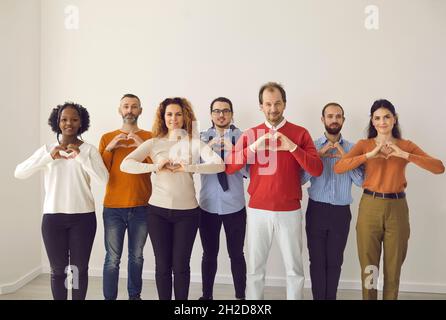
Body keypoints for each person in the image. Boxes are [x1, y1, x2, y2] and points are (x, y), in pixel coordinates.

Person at [334, 99, 445, 300]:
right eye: (377, 118)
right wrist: (369, 155)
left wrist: (404, 154)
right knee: (369, 265)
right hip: (370, 207)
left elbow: (439, 167)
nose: (382, 121)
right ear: (372, 122)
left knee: (393, 266)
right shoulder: (364, 145)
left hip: (397, 208)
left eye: (386, 117)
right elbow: (339, 167)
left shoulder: (406, 145)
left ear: (394, 119)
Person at [226, 82, 323, 300]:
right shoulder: (251, 134)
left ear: (285, 104)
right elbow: (230, 165)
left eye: (277, 103)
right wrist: (254, 147)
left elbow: (316, 169)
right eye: (268, 104)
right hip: (258, 210)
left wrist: (292, 147)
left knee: (294, 269)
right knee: (255, 269)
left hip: (289, 210)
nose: (273, 109)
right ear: (261, 106)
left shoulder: (300, 133)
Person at [120, 97, 225, 300]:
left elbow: (219, 164)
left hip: (188, 213)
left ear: (185, 117)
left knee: (181, 266)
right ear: (163, 117)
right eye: (169, 114)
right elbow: (126, 164)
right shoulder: (153, 143)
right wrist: (154, 166)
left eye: (178, 114)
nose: (174, 118)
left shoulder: (195, 144)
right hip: (157, 212)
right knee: (163, 266)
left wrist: (189, 167)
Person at [15, 102, 109, 300]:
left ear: (81, 122)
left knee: (78, 270)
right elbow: (19, 172)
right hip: (53, 218)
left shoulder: (89, 150)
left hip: (83, 218)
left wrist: (81, 157)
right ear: (57, 122)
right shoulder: (47, 149)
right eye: (64, 119)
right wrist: (49, 157)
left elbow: (104, 180)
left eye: (74, 119)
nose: (69, 123)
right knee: (58, 270)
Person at [301, 102, 364, 300]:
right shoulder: (311, 147)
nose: (334, 120)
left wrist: (346, 159)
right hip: (316, 210)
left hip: (341, 212)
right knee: (317, 261)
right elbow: (300, 179)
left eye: (338, 116)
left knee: (335, 261)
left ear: (343, 120)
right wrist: (317, 157)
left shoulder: (354, 148)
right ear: (323, 120)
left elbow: (362, 181)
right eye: (330, 116)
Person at [99, 94, 152, 300]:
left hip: (142, 207)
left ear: (140, 110)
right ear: (119, 110)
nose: (130, 110)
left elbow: (155, 168)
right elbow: (102, 172)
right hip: (113, 208)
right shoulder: (106, 138)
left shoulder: (150, 137)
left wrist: (141, 145)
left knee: (136, 257)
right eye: (126, 106)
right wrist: (111, 148)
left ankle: (134, 296)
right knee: (112, 259)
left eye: (134, 107)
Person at [198, 97, 248, 300]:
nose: (221, 115)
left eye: (225, 111)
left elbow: (249, 172)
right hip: (208, 206)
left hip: (234, 205)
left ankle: (240, 297)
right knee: (208, 255)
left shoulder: (244, 138)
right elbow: (191, 167)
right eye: (217, 111)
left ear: (232, 114)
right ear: (211, 115)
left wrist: (233, 150)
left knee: (237, 254)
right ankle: (206, 296)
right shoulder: (199, 139)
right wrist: (207, 147)